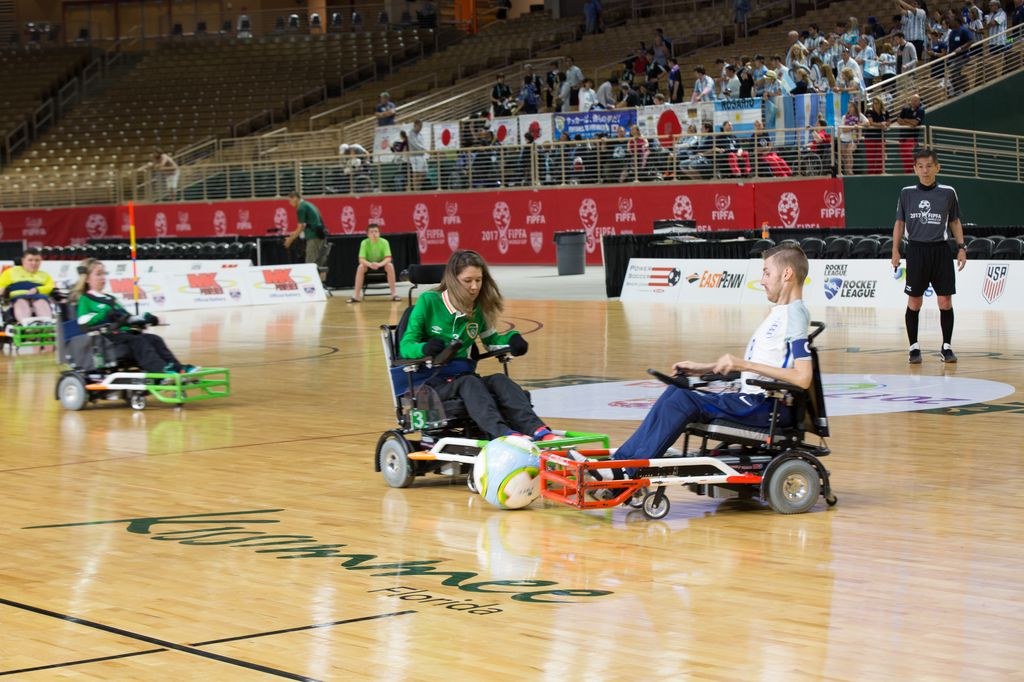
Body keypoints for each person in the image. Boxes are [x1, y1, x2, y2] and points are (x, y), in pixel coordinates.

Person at [598, 244, 813, 486]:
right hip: (753, 401)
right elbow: (759, 365)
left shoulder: (796, 313)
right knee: (676, 391)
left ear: (786, 275)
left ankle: (628, 474)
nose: (762, 280)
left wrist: (744, 364)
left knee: (683, 400)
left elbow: (803, 377)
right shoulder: (779, 312)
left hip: (766, 408)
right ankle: (621, 463)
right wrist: (704, 368)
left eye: (766, 273)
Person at [398, 250, 558, 441]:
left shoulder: (478, 309)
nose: (474, 287)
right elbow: (406, 346)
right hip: (430, 383)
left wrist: (513, 339)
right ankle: (502, 434)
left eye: (479, 280)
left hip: (462, 379)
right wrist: (424, 349)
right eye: (468, 281)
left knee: (499, 380)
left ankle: (538, 429)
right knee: (470, 382)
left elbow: (492, 341)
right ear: (453, 279)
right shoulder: (429, 301)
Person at [891, 147, 967, 364]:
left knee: (945, 301)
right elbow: (899, 223)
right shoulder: (906, 193)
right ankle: (913, 348)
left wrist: (961, 247)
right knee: (914, 302)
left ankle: (946, 347)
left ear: (937, 167)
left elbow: (954, 221)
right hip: (916, 251)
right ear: (915, 169)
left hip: (941, 251)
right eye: (920, 166)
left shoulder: (948, 192)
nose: (925, 170)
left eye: (929, 166)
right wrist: (895, 250)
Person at [73, 259, 197, 374]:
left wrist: (144, 319)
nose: (103, 277)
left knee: (154, 339)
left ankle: (177, 368)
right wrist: (104, 313)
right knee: (138, 341)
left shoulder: (110, 299)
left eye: (104, 273)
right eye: (98, 274)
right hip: (106, 338)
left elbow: (126, 317)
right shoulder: (86, 299)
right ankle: (161, 371)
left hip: (122, 334)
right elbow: (83, 322)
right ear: (88, 279)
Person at [0, 247, 55, 323]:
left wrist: (37, 289)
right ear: (23, 261)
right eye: (30, 260)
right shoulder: (10, 273)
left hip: (38, 297)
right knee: (21, 301)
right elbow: (1, 287)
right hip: (18, 298)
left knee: (41, 301)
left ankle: (46, 323)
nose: (34, 263)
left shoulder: (45, 275)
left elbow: (51, 287)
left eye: (37, 260)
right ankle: (26, 324)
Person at [284, 192, 329, 280]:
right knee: (319, 263)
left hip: (314, 237)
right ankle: (320, 285)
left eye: (290, 200)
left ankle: (311, 287)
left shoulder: (301, 208)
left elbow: (301, 227)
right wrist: (293, 234)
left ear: (295, 198)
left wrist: (290, 240)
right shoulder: (308, 204)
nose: (290, 203)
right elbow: (307, 224)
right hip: (321, 236)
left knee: (310, 263)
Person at [349, 224, 399, 303]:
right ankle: (356, 296)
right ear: (368, 234)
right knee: (360, 267)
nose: (374, 234)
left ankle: (394, 294)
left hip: (381, 263)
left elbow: (388, 258)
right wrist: (370, 264)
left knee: (390, 265)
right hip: (369, 264)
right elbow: (361, 259)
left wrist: (379, 264)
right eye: (371, 232)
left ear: (379, 233)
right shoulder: (364, 243)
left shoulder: (384, 242)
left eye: (376, 231)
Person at [894, 93, 925, 173]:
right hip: (902, 137)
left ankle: (912, 172)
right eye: (913, 100)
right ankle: (908, 172)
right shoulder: (905, 108)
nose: (914, 102)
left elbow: (915, 123)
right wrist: (909, 122)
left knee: (908, 155)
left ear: (919, 101)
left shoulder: (920, 110)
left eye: (916, 101)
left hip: (912, 137)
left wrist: (905, 120)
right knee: (904, 157)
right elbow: (899, 121)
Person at [407, 120, 428, 191]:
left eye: (421, 127)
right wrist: (425, 149)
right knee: (416, 173)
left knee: (424, 172)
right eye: (419, 126)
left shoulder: (420, 134)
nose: (420, 128)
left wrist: (425, 151)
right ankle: (416, 190)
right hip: (415, 156)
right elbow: (415, 144)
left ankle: (418, 188)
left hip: (422, 156)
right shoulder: (411, 134)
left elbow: (422, 144)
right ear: (415, 125)